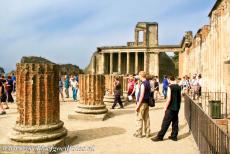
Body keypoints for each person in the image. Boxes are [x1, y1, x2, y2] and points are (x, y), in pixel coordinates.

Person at [152, 76, 182, 141]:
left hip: (170, 107)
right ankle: (174, 136)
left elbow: (169, 98)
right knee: (175, 122)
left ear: (169, 80)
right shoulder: (179, 87)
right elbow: (180, 97)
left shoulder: (170, 87)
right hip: (176, 107)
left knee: (165, 122)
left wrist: (165, 107)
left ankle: (160, 136)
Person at [133, 71, 151, 138]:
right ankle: (147, 133)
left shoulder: (143, 84)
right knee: (147, 118)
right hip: (147, 103)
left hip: (142, 103)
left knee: (139, 118)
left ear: (141, 76)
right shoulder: (148, 83)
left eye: (139, 76)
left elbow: (141, 96)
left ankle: (139, 133)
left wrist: (137, 106)